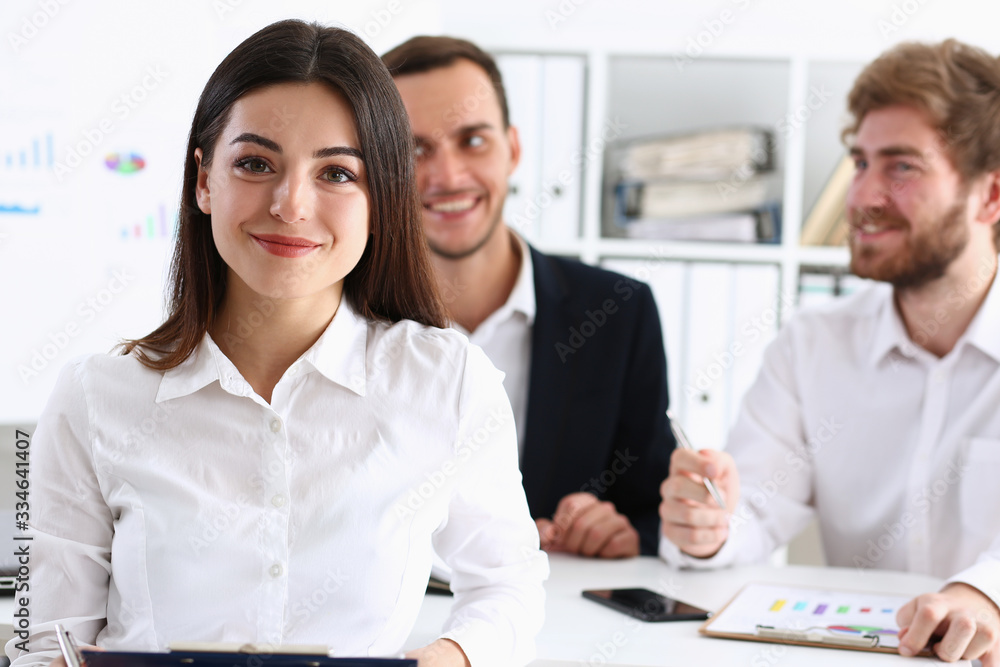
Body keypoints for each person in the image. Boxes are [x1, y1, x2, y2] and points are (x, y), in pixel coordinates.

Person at [8, 20, 547, 667]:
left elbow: (509, 584)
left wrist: (448, 657)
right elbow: (46, 638)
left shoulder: (447, 380)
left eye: (338, 173)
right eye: (256, 163)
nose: (291, 205)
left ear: (382, 197)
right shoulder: (96, 396)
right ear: (205, 180)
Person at [658, 39, 1000, 664]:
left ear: (991, 195)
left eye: (902, 167)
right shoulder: (812, 346)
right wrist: (709, 529)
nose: (862, 197)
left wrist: (984, 595)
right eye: (860, 162)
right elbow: (753, 514)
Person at [381, 36, 675, 559]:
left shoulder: (618, 314)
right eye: (413, 148)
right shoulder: (342, 317)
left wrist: (624, 531)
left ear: (512, 149)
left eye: (472, 141)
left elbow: (654, 514)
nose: (447, 176)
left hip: (557, 624)